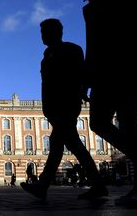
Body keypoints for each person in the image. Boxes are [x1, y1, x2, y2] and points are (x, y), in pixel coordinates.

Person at [80, 0, 137, 206]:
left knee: (128, 119)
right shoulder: (90, 6)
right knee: (98, 122)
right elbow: (91, 44)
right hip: (104, 68)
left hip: (131, 60)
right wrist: (87, 78)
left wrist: (130, 45)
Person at [21, 18, 107, 200]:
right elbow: (46, 85)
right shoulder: (47, 55)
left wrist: (82, 92)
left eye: (45, 32)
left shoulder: (72, 50)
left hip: (67, 104)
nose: (42, 36)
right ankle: (97, 185)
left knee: (59, 144)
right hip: (54, 108)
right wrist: (47, 109)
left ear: (56, 32)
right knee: (70, 145)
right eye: (41, 32)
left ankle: (43, 185)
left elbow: (82, 74)